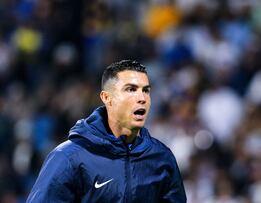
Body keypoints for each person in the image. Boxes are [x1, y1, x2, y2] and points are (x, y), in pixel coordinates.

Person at [27, 60, 187, 203]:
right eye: (131, 89)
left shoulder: (161, 157)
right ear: (107, 98)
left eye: (146, 90)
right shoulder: (68, 157)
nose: (142, 98)